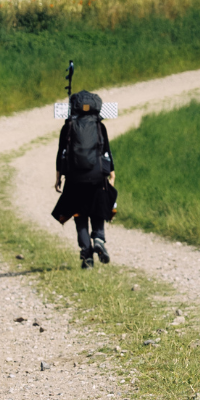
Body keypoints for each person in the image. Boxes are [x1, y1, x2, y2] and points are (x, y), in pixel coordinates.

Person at [51, 90, 116, 269]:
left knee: (79, 216)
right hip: (97, 177)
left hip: (74, 179)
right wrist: (112, 173)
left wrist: (58, 177)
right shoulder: (99, 126)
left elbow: (61, 153)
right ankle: (99, 239)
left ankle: (87, 257)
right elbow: (106, 151)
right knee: (98, 210)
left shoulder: (68, 126)